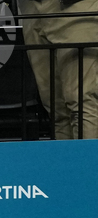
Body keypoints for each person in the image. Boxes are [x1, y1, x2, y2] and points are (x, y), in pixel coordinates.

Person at [17, 0, 98, 140]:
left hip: (75, 7)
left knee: (81, 102)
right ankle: (67, 154)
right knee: (56, 110)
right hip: (31, 10)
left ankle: (86, 155)